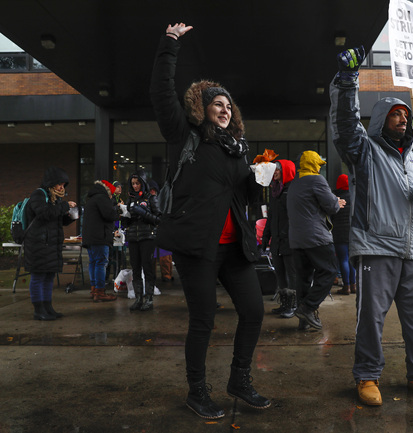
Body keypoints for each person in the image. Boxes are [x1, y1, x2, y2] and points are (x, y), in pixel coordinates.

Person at [149, 22, 270, 420]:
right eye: (216, 103)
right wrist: (169, 46)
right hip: (196, 246)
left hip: (234, 247)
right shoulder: (185, 134)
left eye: (228, 105)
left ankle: (239, 379)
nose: (224, 109)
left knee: (253, 311)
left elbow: (243, 199)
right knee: (203, 320)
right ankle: (197, 391)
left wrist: (259, 182)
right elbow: (162, 93)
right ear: (202, 108)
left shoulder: (237, 150)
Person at [329, 46, 413, 405]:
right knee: (371, 319)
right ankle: (367, 376)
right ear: (381, 119)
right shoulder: (364, 152)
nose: (402, 119)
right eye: (395, 114)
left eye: (405, 115)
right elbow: (345, 124)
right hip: (377, 248)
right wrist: (348, 81)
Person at [286, 150, 345, 330]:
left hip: (296, 240)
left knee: (303, 279)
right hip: (316, 237)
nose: (319, 168)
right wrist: (338, 202)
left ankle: (303, 322)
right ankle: (307, 308)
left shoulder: (294, 184)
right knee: (329, 272)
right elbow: (331, 206)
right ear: (314, 165)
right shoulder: (316, 180)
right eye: (318, 165)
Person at [23, 166, 77, 321]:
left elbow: (55, 219)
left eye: (63, 185)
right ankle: (38, 310)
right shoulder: (38, 195)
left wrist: (70, 216)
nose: (62, 187)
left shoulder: (55, 199)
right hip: (38, 244)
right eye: (59, 184)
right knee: (38, 276)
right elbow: (44, 214)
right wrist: (65, 206)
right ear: (50, 183)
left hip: (50, 245)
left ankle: (48, 308)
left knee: (48, 277)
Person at [261, 159, 297, 318]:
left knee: (291, 275)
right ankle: (284, 304)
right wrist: (265, 237)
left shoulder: (291, 192)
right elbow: (271, 218)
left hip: (288, 242)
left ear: (286, 171)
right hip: (276, 242)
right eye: (273, 170)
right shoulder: (275, 191)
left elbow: (292, 219)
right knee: (280, 274)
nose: (274, 173)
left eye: (277, 170)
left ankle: (293, 306)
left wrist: (283, 234)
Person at [121, 171, 159, 312]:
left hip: (147, 237)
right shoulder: (129, 200)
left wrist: (144, 213)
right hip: (133, 238)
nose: (135, 186)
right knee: (135, 269)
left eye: (137, 183)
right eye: (133, 184)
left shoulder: (151, 198)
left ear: (143, 183)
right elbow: (127, 223)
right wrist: (124, 216)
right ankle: (138, 299)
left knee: (147, 268)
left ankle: (149, 299)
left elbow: (159, 219)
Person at [83, 180, 120, 302]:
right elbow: (109, 214)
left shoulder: (91, 198)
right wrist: (118, 210)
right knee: (101, 262)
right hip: (100, 236)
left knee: (93, 262)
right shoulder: (102, 198)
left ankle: (94, 289)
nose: (111, 197)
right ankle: (99, 291)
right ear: (108, 191)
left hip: (90, 237)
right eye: (111, 195)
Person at [332, 174, 356, 295]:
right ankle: (354, 285)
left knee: (343, 259)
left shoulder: (334, 198)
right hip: (352, 233)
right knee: (352, 259)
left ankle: (346, 286)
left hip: (339, 233)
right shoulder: (354, 196)